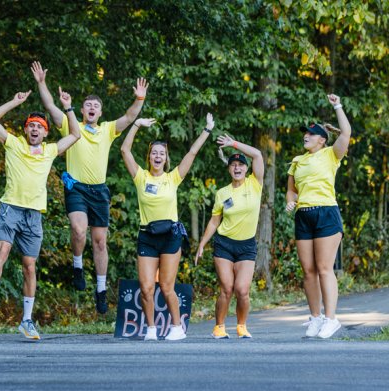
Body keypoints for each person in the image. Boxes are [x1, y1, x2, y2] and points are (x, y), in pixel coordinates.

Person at [32, 61, 148, 314]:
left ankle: (101, 289)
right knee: (77, 228)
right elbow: (51, 107)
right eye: (88, 105)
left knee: (99, 242)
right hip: (76, 188)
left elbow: (129, 117)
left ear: (101, 111)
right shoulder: (71, 124)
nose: (92, 108)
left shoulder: (107, 129)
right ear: (82, 110)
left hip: (99, 191)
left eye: (96, 106)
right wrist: (42, 83)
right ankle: (76, 265)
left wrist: (139, 99)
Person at [0, 90, 81, 340]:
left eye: (39, 126)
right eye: (31, 126)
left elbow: (76, 134)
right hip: (11, 208)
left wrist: (68, 108)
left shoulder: (49, 151)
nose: (35, 129)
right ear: (26, 131)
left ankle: (26, 321)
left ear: (46, 132)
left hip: (34, 215)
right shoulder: (13, 144)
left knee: (30, 267)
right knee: (2, 250)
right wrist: (15, 102)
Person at [120, 114, 215, 341]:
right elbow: (124, 150)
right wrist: (136, 125)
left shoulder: (173, 178)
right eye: (154, 153)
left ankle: (176, 327)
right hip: (147, 236)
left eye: (162, 153)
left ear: (166, 158)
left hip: (170, 236)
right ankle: (151, 329)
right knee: (146, 287)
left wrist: (207, 130)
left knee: (166, 285)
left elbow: (191, 153)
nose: (158, 156)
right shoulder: (140, 177)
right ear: (149, 157)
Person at [286, 93, 352, 339]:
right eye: (305, 133)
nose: (306, 136)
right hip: (304, 216)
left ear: (322, 140)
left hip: (326, 213)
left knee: (325, 268)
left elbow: (345, 133)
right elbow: (291, 191)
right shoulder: (296, 161)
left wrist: (338, 106)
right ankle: (315, 318)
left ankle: (331, 319)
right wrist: (290, 203)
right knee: (308, 270)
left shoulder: (330, 155)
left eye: (312, 134)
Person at [195, 136, 264, 339]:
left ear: (246, 169)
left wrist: (233, 144)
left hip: (246, 246)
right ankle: (219, 327)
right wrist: (202, 244)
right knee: (226, 288)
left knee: (242, 290)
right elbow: (215, 221)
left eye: (241, 165)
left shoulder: (254, 184)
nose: (237, 168)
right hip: (224, 244)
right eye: (233, 164)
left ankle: (241, 326)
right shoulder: (222, 193)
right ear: (229, 169)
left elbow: (258, 155)